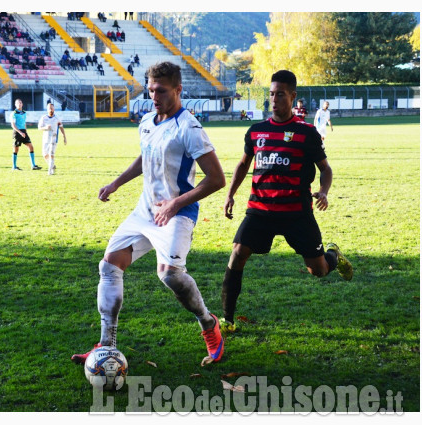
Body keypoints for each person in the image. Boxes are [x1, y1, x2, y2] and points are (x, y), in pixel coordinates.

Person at [70, 61, 227, 367]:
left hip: (176, 214)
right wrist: (116, 183)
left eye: (162, 90)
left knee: (169, 275)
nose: (155, 96)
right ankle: (106, 346)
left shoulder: (190, 128)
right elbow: (147, 156)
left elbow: (216, 179)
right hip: (145, 210)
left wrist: (176, 203)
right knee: (109, 265)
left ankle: (208, 324)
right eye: (151, 89)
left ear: (178, 90)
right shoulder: (147, 121)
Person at [220, 70, 353, 333]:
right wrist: (230, 194)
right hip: (260, 210)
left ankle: (333, 255)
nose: (274, 99)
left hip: (297, 213)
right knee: (237, 254)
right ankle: (227, 320)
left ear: (292, 96)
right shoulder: (256, 131)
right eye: (271, 94)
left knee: (318, 270)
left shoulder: (307, 134)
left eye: (280, 94)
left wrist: (324, 191)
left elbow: (325, 169)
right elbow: (243, 164)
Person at [10, 99, 41, 171]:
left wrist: (25, 131)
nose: (20, 104)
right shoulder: (14, 113)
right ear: (15, 105)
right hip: (17, 132)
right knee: (16, 149)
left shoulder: (24, 113)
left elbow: (24, 123)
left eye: (20, 103)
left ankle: (33, 165)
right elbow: (13, 125)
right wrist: (20, 132)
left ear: (22, 104)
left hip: (24, 132)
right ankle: (14, 167)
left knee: (31, 147)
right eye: (18, 103)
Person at [37, 103, 67, 175]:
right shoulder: (43, 118)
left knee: (51, 154)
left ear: (54, 109)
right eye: (49, 108)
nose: (51, 109)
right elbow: (39, 128)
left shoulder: (57, 118)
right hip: (45, 139)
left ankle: (50, 171)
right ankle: (52, 165)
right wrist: (45, 128)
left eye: (52, 108)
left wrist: (64, 137)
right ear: (47, 109)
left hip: (54, 138)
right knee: (45, 155)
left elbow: (61, 127)